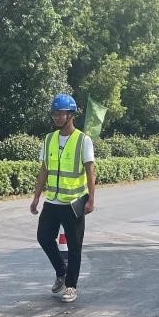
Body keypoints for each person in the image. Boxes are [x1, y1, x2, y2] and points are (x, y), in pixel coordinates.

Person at [30, 94, 96, 303]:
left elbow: (90, 172)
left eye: (60, 113)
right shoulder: (49, 139)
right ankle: (61, 270)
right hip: (52, 201)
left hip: (73, 202)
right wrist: (36, 197)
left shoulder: (83, 140)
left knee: (75, 246)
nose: (56, 117)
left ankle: (71, 286)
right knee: (43, 237)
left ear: (70, 115)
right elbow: (44, 170)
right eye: (54, 113)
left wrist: (91, 199)